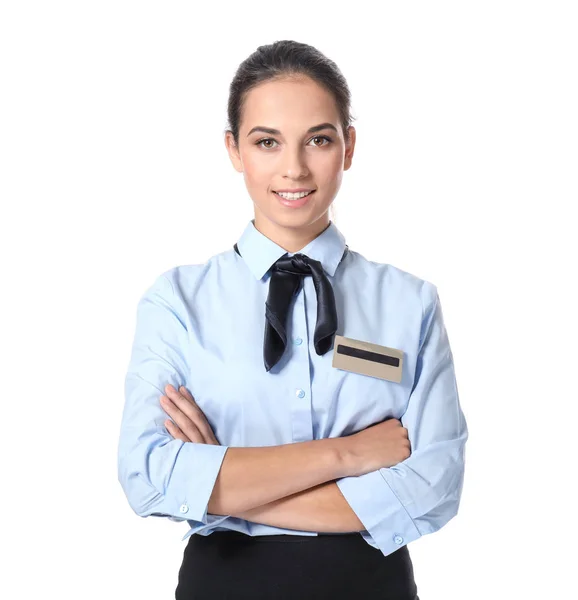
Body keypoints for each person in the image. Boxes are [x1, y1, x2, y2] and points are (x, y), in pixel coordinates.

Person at [117, 39, 468, 600]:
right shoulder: (177, 303)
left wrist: (220, 483)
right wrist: (346, 455)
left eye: (319, 140)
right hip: (223, 586)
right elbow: (150, 477)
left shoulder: (410, 303)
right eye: (267, 142)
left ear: (348, 147)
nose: (294, 168)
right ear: (234, 149)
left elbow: (434, 484)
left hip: (370, 586)